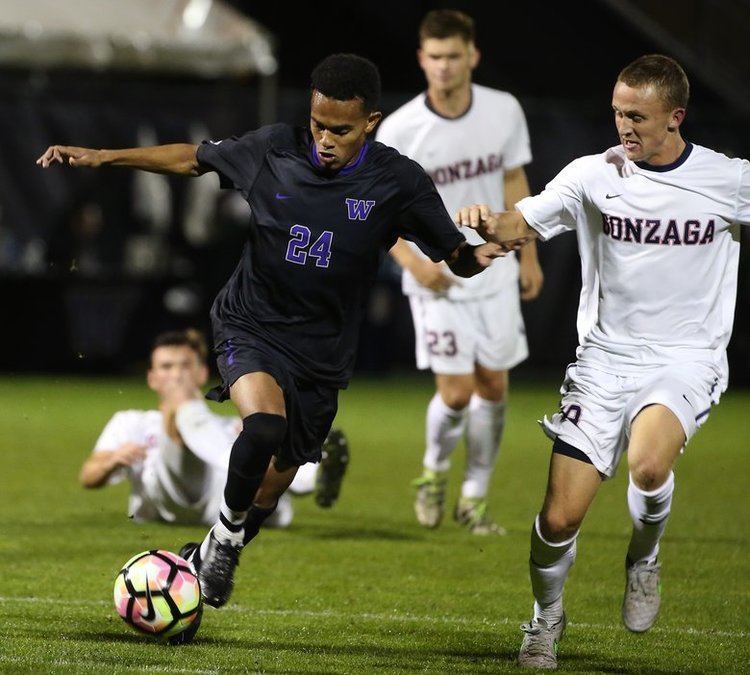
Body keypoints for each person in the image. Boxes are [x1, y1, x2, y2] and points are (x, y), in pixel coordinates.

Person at [39, 53, 502, 610]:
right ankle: (227, 543)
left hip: (323, 353)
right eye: (318, 125)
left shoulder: (397, 181)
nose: (325, 139)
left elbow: (456, 255)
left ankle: (215, 543)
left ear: (371, 122)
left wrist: (485, 247)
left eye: (341, 129)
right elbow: (194, 159)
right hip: (249, 323)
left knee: (277, 476)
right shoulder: (274, 150)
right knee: (261, 429)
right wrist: (105, 158)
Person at [456, 54, 749, 669]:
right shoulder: (594, 175)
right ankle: (545, 618)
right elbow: (520, 223)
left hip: (686, 359)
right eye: (618, 113)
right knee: (557, 518)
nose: (625, 127)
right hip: (604, 360)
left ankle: (643, 557)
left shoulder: (729, 181)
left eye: (638, 117)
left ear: (676, 116)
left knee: (647, 464)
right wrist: (485, 222)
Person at [376, 10, 543, 535]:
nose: (444, 66)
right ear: (422, 59)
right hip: (438, 272)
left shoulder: (503, 110)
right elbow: (378, 207)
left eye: (454, 56)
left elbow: (515, 179)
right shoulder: (401, 127)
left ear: (472, 56)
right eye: (435, 57)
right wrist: (409, 261)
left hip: (493, 265)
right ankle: (433, 472)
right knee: (455, 393)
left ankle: (474, 498)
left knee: (493, 385)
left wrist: (529, 254)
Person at [80, 328, 344, 528]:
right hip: (166, 500)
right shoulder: (131, 422)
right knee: (245, 443)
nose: (176, 375)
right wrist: (112, 461)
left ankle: (314, 473)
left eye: (185, 366)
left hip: (225, 505)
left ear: (202, 373)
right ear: (152, 377)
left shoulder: (227, 426)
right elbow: (88, 476)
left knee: (258, 454)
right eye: (166, 367)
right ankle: (310, 468)